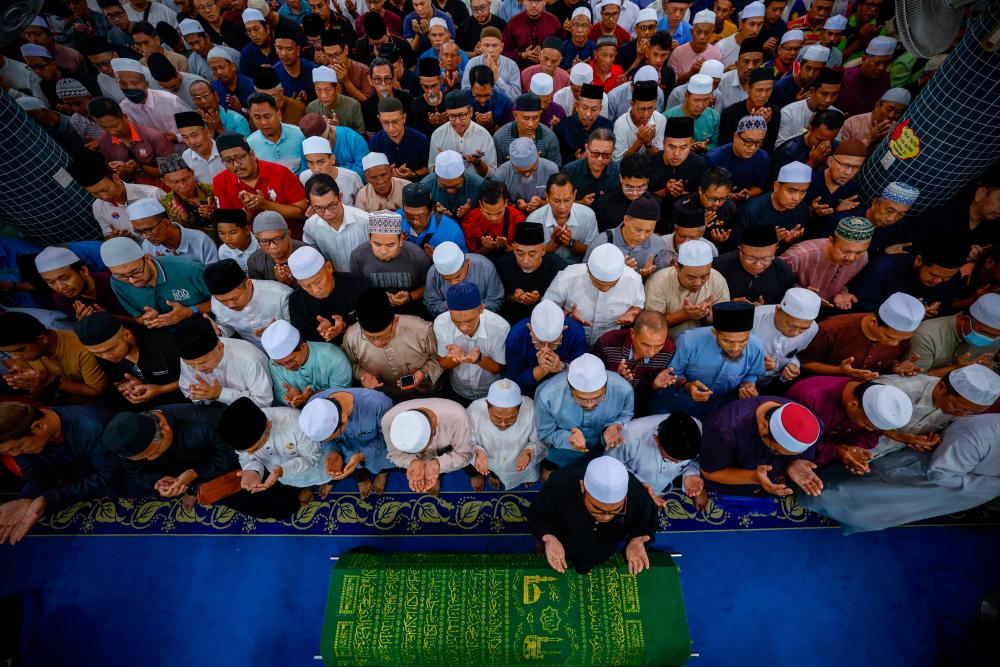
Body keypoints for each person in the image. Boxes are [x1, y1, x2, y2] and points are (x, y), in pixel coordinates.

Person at [800, 414, 1000, 534]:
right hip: (921, 473)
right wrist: (990, 486)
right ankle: (809, 499)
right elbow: (940, 474)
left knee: (872, 505)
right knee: (857, 490)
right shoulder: (979, 437)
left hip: (949, 482)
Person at [101, 406, 301, 519]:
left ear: (164, 428)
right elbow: (136, 472)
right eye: (143, 458)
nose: (151, 460)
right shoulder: (128, 448)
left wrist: (194, 472)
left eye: (155, 453)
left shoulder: (203, 422)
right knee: (254, 507)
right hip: (210, 485)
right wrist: (158, 480)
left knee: (279, 498)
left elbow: (234, 453)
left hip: (238, 469)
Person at [0, 402, 118, 545]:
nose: (15, 453)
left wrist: (50, 498)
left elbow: (107, 476)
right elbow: (36, 474)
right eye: (7, 452)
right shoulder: (23, 442)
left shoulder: (93, 428)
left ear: (38, 427)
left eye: (16, 447)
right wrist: (26, 498)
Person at [527, 455, 656, 575]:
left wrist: (638, 538)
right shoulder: (559, 484)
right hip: (562, 540)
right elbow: (538, 515)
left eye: (616, 510)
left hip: (605, 546)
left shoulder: (637, 494)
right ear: (583, 488)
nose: (606, 518)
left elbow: (647, 521)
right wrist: (549, 538)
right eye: (597, 509)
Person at [651, 301, 765, 417]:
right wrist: (687, 385)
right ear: (715, 332)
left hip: (721, 409)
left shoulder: (756, 346)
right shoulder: (689, 342)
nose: (736, 348)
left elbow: (753, 373)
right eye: (727, 341)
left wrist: (747, 384)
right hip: (679, 405)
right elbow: (672, 373)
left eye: (743, 341)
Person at [868, 364, 1000, 461]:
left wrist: (928, 440)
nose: (962, 415)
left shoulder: (955, 408)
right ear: (942, 388)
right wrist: (898, 436)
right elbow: (853, 417)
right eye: (958, 408)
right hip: (851, 447)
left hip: (876, 456)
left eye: (971, 411)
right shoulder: (895, 389)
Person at [786, 377, 912, 474]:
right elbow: (788, 442)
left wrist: (854, 449)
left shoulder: (872, 406)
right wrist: (834, 451)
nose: (869, 430)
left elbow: (871, 434)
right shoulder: (808, 398)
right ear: (853, 405)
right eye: (867, 425)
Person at [699, 397, 823, 496]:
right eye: (776, 451)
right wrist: (754, 477)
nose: (781, 457)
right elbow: (710, 472)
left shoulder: (809, 422)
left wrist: (793, 462)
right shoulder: (725, 429)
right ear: (763, 427)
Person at [534, 353, 634, 468]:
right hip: (563, 454)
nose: (590, 405)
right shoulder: (547, 395)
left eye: (598, 398)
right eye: (581, 399)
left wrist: (613, 426)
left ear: (606, 386)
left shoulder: (624, 389)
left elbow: (626, 414)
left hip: (605, 450)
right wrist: (567, 439)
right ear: (569, 386)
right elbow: (545, 433)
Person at [342, 288, 443, 401]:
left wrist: (423, 373)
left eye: (384, 336)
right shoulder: (351, 337)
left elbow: (440, 359)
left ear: (395, 322)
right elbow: (349, 363)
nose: (378, 342)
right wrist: (363, 374)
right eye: (370, 337)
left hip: (426, 396)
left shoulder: (422, 331)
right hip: (384, 398)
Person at [218, 396, 330, 498]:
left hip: (317, 469)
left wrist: (283, 470)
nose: (251, 454)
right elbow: (246, 456)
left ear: (269, 425)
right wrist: (252, 469)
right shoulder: (238, 434)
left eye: (256, 449)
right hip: (286, 478)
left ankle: (329, 483)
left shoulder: (297, 425)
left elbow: (312, 458)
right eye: (247, 451)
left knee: (327, 476)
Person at [799, 292, 927, 379]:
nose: (895, 344)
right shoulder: (832, 329)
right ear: (873, 322)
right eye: (889, 337)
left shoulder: (901, 339)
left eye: (902, 339)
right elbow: (803, 362)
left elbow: (886, 360)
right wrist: (839, 371)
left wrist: (895, 366)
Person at [297, 387, 395, 498]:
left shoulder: (379, 404)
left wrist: (362, 455)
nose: (329, 440)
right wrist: (333, 452)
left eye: (334, 436)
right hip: (349, 454)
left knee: (383, 464)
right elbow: (326, 441)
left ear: (344, 419)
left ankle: (382, 473)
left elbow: (389, 439)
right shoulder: (313, 405)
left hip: (380, 452)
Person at [75, 311, 185, 407]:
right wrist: (126, 387)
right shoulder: (102, 355)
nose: (106, 356)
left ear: (127, 335)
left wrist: (161, 390)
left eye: (111, 349)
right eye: (98, 353)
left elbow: (197, 376)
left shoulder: (164, 346)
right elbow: (118, 381)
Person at [99, 236, 212, 328]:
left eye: (136, 271)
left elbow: (225, 301)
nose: (132, 281)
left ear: (148, 258)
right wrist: (150, 319)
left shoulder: (189, 269)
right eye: (121, 276)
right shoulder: (117, 282)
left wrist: (189, 311)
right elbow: (138, 317)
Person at [544, 243, 645, 345]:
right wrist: (568, 317)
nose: (605, 290)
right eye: (598, 284)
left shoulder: (633, 280)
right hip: (570, 337)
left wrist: (632, 313)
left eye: (612, 285)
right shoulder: (568, 276)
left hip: (609, 342)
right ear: (588, 269)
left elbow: (638, 304)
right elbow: (546, 309)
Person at [0, 312, 110, 403]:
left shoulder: (84, 351)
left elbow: (97, 393)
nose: (16, 357)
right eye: (9, 353)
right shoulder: (29, 354)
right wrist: (29, 384)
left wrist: (52, 381)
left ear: (42, 339)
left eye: (20, 350)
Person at [608, 411, 704, 507]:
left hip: (663, 489)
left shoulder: (696, 429)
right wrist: (640, 485)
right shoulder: (629, 435)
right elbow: (611, 465)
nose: (677, 464)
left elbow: (694, 461)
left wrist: (691, 474)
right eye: (670, 460)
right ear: (656, 439)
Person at [174, 315, 274, 408]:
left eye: (202, 362)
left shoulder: (250, 360)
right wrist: (202, 394)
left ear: (220, 348)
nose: (198, 369)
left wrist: (221, 394)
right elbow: (188, 391)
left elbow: (263, 402)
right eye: (190, 365)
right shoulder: (188, 360)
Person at [433, 282, 508, 403]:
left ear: (481, 309)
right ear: (448, 309)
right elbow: (443, 362)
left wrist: (479, 359)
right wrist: (453, 359)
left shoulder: (500, 327)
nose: (463, 328)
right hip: (458, 390)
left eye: (469, 321)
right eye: (456, 321)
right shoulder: (441, 324)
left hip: (491, 392)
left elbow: (498, 368)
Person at [466, 378, 545, 490]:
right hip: (490, 461)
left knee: (525, 473)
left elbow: (541, 439)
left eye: (511, 418)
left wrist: (529, 451)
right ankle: (494, 476)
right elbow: (466, 439)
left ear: (519, 407)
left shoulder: (531, 409)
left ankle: (524, 479)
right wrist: (478, 451)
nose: (503, 424)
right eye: (497, 418)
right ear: (487, 406)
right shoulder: (474, 410)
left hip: (520, 460)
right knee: (494, 470)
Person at [593, 309, 677, 414]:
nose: (652, 352)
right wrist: (615, 379)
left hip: (638, 409)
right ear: (632, 333)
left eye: (659, 346)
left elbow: (648, 393)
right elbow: (592, 383)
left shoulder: (668, 350)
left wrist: (653, 384)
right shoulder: (607, 343)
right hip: (604, 406)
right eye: (645, 344)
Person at [349, 210, 432, 316]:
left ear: (401, 240)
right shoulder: (358, 256)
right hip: (374, 311)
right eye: (377, 244)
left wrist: (409, 297)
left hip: (410, 311)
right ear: (370, 238)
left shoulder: (417, 256)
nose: (383, 251)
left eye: (390, 245)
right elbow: (356, 288)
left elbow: (429, 287)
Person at [383, 398, 474, 494]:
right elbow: (395, 455)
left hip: (447, 447)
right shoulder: (388, 421)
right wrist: (412, 461)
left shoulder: (458, 417)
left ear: (434, 432)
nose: (422, 456)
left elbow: (465, 454)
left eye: (422, 450)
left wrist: (439, 464)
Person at [212, 132, 309, 222]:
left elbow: (302, 213)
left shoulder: (281, 172)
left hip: (290, 237)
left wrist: (265, 204)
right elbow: (229, 225)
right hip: (252, 240)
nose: (236, 165)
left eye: (240, 157)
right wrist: (250, 208)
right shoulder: (220, 181)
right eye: (228, 161)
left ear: (252, 154)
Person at [645, 238, 731, 339]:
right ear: (677, 267)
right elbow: (652, 323)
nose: (698, 283)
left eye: (704, 276)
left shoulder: (717, 279)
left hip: (707, 341)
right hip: (664, 343)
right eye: (691, 277)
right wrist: (686, 314)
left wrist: (704, 315)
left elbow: (725, 319)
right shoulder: (657, 282)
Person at [780, 214, 872, 309]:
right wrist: (802, 293)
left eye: (859, 252)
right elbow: (774, 282)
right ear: (831, 241)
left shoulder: (863, 257)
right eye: (845, 251)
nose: (852, 258)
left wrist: (842, 293)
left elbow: (846, 282)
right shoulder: (798, 256)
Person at [851, 241, 967, 316]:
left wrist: (935, 310)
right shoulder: (883, 267)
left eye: (946, 277)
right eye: (933, 275)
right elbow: (861, 305)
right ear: (918, 261)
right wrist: (909, 313)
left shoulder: (953, 276)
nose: (938, 281)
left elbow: (946, 302)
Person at [260, 319, 352, 408]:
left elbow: (341, 400)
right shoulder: (274, 364)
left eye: (290, 360)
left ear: (303, 345)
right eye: (281, 364)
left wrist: (311, 397)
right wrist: (291, 400)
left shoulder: (335, 359)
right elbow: (281, 392)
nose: (287, 367)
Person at [204, 258, 291, 351]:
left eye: (234, 298)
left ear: (248, 284)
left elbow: (298, 327)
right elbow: (227, 327)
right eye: (223, 301)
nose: (230, 305)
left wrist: (278, 331)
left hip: (288, 347)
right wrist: (219, 331)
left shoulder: (281, 294)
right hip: (253, 351)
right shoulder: (216, 303)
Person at [287, 245, 369, 344]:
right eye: (307, 286)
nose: (315, 290)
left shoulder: (357, 284)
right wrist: (321, 333)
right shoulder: (296, 300)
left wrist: (344, 326)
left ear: (329, 267)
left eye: (318, 282)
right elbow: (302, 338)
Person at [88, 95, 175, 183]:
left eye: (114, 126)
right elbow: (115, 174)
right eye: (104, 128)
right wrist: (120, 171)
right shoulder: (103, 142)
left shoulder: (154, 136)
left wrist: (139, 168)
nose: (111, 132)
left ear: (124, 117)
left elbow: (174, 169)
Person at [908, 294, 1000, 376]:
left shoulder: (996, 340)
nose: (991, 339)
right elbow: (916, 378)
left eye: (997, 336)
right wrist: (956, 369)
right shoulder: (927, 335)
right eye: (985, 333)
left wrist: (987, 369)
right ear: (965, 320)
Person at [495, 222, 568, 324]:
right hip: (509, 322)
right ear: (514, 248)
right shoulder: (502, 264)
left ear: (543, 250)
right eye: (520, 253)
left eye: (532, 254)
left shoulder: (559, 268)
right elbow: (497, 300)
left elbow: (564, 304)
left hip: (547, 322)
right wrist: (514, 298)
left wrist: (541, 299)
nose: (525, 260)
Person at [33, 246, 128, 321]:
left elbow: (140, 319)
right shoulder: (60, 297)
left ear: (83, 271)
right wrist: (83, 322)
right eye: (51, 282)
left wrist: (110, 317)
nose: (60, 287)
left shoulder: (115, 281)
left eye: (65, 278)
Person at [752, 287, 821, 388]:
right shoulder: (753, 319)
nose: (796, 333)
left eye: (803, 329)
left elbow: (793, 355)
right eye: (791, 325)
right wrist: (754, 366)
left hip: (771, 384)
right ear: (778, 310)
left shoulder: (812, 329)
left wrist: (793, 365)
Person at [586, 196, 670, 279]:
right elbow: (585, 273)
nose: (642, 237)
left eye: (649, 231)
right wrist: (617, 271)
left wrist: (650, 276)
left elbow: (663, 277)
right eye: (637, 229)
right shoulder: (602, 242)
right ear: (626, 220)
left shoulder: (658, 244)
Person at [300, 174, 369, 271]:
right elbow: (312, 255)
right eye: (319, 208)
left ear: (340, 197)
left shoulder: (365, 221)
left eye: (332, 205)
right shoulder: (310, 226)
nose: (328, 214)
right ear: (310, 203)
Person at [713, 225, 794, 305]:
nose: (758, 265)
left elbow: (785, 305)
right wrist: (728, 304)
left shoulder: (783, 271)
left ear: (775, 249)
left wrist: (764, 309)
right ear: (740, 250)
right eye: (750, 258)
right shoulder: (718, 267)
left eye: (765, 259)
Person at [528, 172, 598, 264]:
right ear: (547, 197)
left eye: (567, 200)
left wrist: (570, 243)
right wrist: (554, 243)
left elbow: (593, 252)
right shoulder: (533, 220)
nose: (562, 207)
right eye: (556, 201)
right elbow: (531, 258)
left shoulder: (588, 216)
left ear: (574, 195)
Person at [648, 116, 706, 225]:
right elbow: (641, 196)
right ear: (664, 142)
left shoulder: (698, 163)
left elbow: (700, 195)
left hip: (685, 221)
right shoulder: (649, 163)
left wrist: (683, 193)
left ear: (691, 144)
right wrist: (665, 191)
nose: (676, 154)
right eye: (672, 147)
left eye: (683, 148)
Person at [736, 161, 811, 245]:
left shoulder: (802, 208)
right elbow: (736, 245)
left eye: (803, 191)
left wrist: (790, 241)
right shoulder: (753, 210)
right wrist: (772, 240)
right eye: (791, 191)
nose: (797, 198)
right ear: (777, 186)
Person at [127, 198, 219, 265]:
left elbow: (215, 276)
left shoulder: (200, 240)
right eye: (138, 231)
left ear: (166, 223)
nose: (145, 236)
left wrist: (179, 266)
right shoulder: (147, 245)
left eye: (148, 230)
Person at [423, 241, 505, 316]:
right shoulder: (433, 273)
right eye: (446, 279)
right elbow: (431, 306)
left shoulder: (486, 268)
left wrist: (472, 304)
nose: (453, 283)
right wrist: (447, 305)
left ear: (467, 262)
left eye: (457, 276)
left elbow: (496, 301)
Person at [429, 90, 498, 178]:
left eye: (462, 115)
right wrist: (443, 162)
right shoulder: (438, 135)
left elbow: (492, 174)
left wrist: (478, 163)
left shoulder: (484, 135)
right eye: (452, 116)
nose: (457, 122)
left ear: (471, 112)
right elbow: (431, 171)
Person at [774, 69, 842, 148]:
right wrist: (808, 130)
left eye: (834, 94)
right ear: (812, 91)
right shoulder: (789, 112)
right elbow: (779, 146)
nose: (828, 100)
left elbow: (835, 146)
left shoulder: (837, 114)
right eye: (824, 94)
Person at [706, 115, 769, 198]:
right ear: (736, 136)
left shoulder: (763, 157)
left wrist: (748, 194)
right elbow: (704, 191)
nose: (753, 147)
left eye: (759, 143)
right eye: (748, 141)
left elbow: (759, 187)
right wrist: (728, 196)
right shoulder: (714, 158)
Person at [718, 68, 779, 153]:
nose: (764, 95)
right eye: (759, 90)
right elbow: (726, 147)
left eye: (768, 90)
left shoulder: (773, 112)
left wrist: (765, 125)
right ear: (747, 89)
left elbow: (768, 148)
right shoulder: (730, 113)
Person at [368, 96, 430, 178]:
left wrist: (413, 174)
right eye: (386, 122)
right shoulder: (375, 142)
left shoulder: (420, 139)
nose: (391, 128)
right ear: (379, 119)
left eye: (395, 122)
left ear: (404, 118)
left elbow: (428, 168)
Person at [397, 182, 469, 252]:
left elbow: (463, 260)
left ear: (432, 211)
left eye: (421, 216)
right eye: (409, 215)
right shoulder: (395, 219)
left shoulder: (452, 231)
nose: (415, 222)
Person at [555, 85, 615, 167]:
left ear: (600, 109)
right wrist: (576, 160)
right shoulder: (563, 127)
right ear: (577, 106)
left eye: (594, 109)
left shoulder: (607, 126)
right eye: (584, 108)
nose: (588, 114)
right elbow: (559, 160)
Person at [838, 36, 895, 118]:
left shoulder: (885, 79)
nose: (881, 68)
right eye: (877, 63)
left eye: (886, 63)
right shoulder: (846, 76)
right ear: (864, 59)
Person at [839, 87, 911, 151]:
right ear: (877, 106)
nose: (892, 115)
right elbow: (842, 153)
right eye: (889, 109)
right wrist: (869, 139)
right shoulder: (851, 123)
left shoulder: (897, 129)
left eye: (898, 112)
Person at [246, 211, 308, 285]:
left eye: (277, 239)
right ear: (257, 239)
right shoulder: (255, 261)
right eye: (264, 241)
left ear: (288, 234)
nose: (273, 246)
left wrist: (295, 283)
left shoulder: (308, 253)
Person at [420, 150, 484, 219]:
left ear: (464, 174)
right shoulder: (425, 186)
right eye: (444, 186)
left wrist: (472, 213)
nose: (450, 191)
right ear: (436, 177)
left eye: (456, 185)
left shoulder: (478, 184)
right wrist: (435, 215)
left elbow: (490, 214)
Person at [306, 64, 366, 136]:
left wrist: (340, 130)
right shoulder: (311, 108)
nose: (323, 95)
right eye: (318, 90)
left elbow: (361, 136)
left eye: (327, 90)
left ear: (336, 88)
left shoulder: (353, 105)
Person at [667, 8, 722, 84]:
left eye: (706, 33)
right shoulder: (678, 52)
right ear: (691, 32)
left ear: (712, 33)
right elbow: (670, 82)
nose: (702, 37)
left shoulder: (717, 54)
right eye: (698, 32)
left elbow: (717, 82)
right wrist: (690, 73)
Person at [612, 80, 664, 160]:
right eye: (642, 109)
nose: (646, 114)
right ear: (632, 104)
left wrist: (648, 144)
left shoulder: (661, 120)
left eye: (650, 108)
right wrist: (639, 141)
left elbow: (660, 159)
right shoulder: (620, 125)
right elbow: (619, 162)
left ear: (655, 103)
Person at [502, 0, 562, 67]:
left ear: (544, 2)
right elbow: (504, 52)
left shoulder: (554, 22)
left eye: (538, 1)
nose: (534, 5)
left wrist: (544, 57)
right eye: (530, 1)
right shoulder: (513, 23)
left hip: (548, 70)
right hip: (519, 70)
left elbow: (561, 51)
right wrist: (522, 55)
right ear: (523, 2)